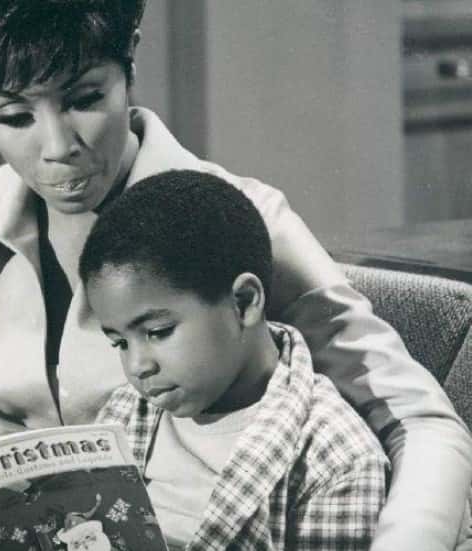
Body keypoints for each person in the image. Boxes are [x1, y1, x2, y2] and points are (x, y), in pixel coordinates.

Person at [0, 1, 472, 550]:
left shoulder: (236, 219)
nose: (59, 149)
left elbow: (421, 421)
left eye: (86, 100)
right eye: (13, 116)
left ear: (130, 62)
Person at [84, 169, 389, 550]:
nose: (138, 366)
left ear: (243, 302)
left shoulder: (335, 460)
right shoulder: (127, 412)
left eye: (158, 332)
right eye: (120, 344)